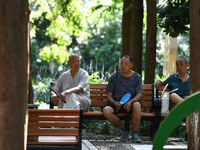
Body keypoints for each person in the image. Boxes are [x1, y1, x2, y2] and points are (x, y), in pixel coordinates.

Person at [103, 55, 142, 142]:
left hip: (131, 104)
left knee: (137, 105)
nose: (123, 66)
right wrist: (114, 103)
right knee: (106, 110)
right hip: (116, 104)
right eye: (121, 63)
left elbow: (139, 94)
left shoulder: (137, 77)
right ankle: (125, 130)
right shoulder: (114, 77)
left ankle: (134, 133)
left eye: (126, 64)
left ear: (131, 65)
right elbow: (109, 95)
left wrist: (131, 102)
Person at [155, 55, 190, 140]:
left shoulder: (193, 79)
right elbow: (162, 83)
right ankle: (187, 105)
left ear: (187, 65)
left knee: (189, 110)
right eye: (177, 64)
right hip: (174, 106)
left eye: (181, 64)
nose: (179, 66)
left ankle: (188, 135)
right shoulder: (172, 77)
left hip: (186, 106)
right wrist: (158, 81)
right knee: (173, 95)